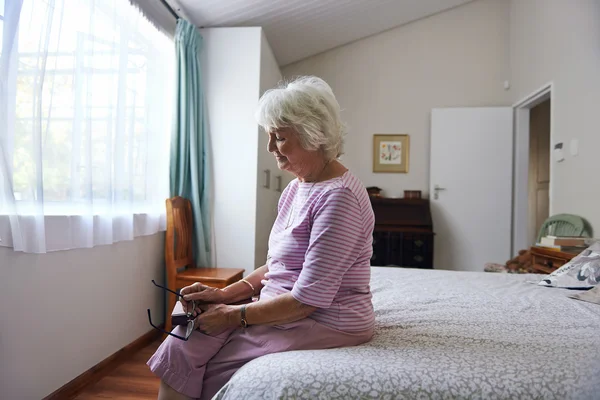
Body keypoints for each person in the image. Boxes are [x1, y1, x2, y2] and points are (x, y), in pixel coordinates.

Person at [147, 76, 376, 400]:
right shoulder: (297, 187)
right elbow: (277, 265)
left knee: (216, 367)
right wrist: (224, 295)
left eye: (279, 138)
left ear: (314, 136)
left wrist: (235, 316)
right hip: (284, 305)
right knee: (184, 340)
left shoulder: (339, 199)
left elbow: (306, 301)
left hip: (325, 319)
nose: (270, 148)